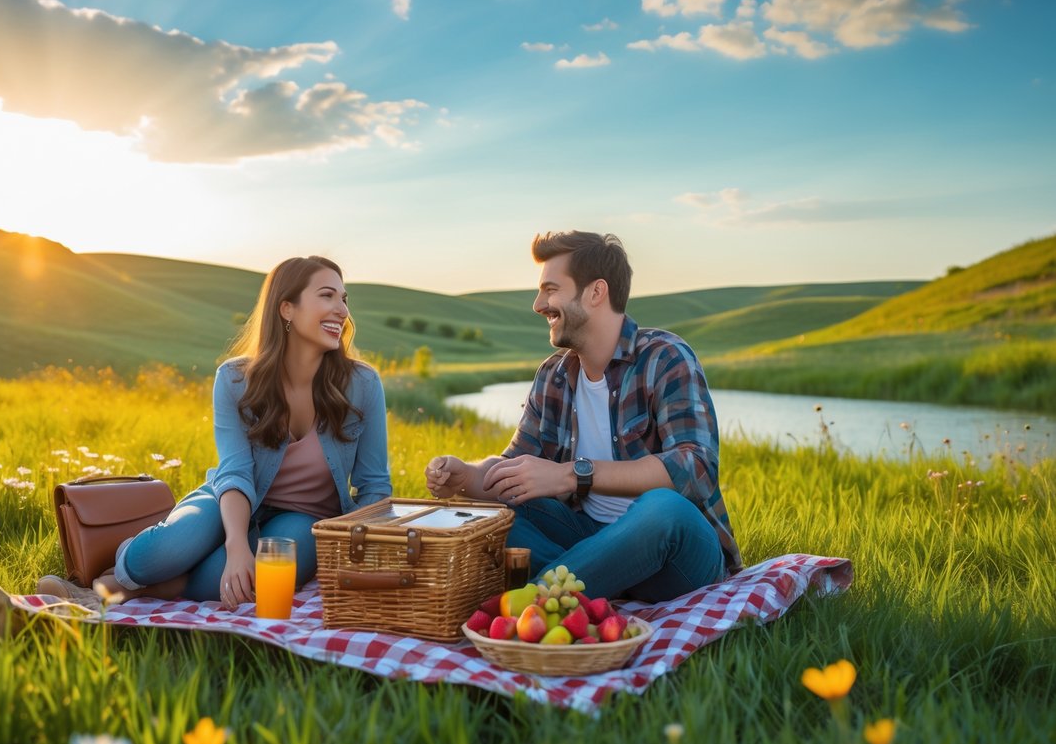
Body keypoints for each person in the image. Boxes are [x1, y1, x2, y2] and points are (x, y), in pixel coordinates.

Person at [37, 255, 392, 610]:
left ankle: (127, 589)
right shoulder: (235, 379)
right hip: (234, 497)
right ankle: (124, 573)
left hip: (306, 519)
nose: (342, 311)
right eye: (328, 296)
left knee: (226, 578)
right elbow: (235, 472)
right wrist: (237, 543)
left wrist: (343, 544)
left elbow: (375, 485)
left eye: (344, 299)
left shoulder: (362, 384)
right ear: (287, 308)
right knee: (168, 550)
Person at [425, 231, 741, 603]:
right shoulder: (553, 375)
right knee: (492, 513)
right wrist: (467, 475)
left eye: (550, 289)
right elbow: (514, 469)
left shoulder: (665, 356)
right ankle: (589, 585)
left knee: (663, 507)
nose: (539, 304)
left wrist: (570, 475)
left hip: (675, 559)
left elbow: (695, 469)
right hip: (586, 539)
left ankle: (536, 600)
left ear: (595, 292)